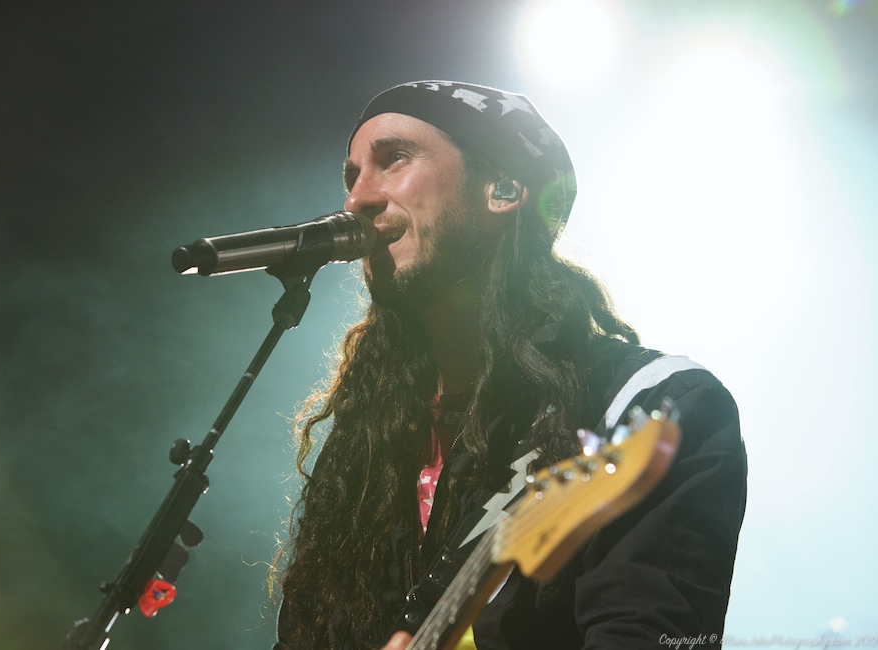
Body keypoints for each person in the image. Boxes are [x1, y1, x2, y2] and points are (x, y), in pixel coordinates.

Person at [270, 80, 747, 650]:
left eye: (393, 159)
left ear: (501, 189)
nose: (357, 200)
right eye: (351, 176)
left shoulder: (643, 405)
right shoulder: (369, 440)